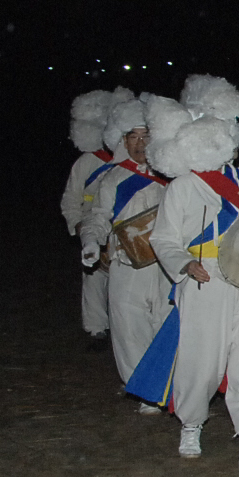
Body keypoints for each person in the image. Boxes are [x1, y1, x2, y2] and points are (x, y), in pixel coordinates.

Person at [127, 76, 239, 470]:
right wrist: (184, 264)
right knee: (202, 362)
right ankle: (191, 425)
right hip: (206, 278)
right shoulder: (182, 187)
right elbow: (164, 240)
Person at [79, 91, 172, 403]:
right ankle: (146, 393)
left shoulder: (173, 177)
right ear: (122, 140)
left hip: (166, 266)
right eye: (132, 135)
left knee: (166, 325)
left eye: (146, 134)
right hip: (126, 266)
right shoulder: (113, 179)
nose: (140, 142)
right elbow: (98, 216)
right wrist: (92, 241)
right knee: (128, 329)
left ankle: (171, 387)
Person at [62, 88, 128, 348]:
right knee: (93, 276)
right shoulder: (87, 161)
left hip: (124, 227)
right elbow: (71, 198)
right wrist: (78, 225)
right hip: (94, 223)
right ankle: (96, 328)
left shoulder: (131, 161)